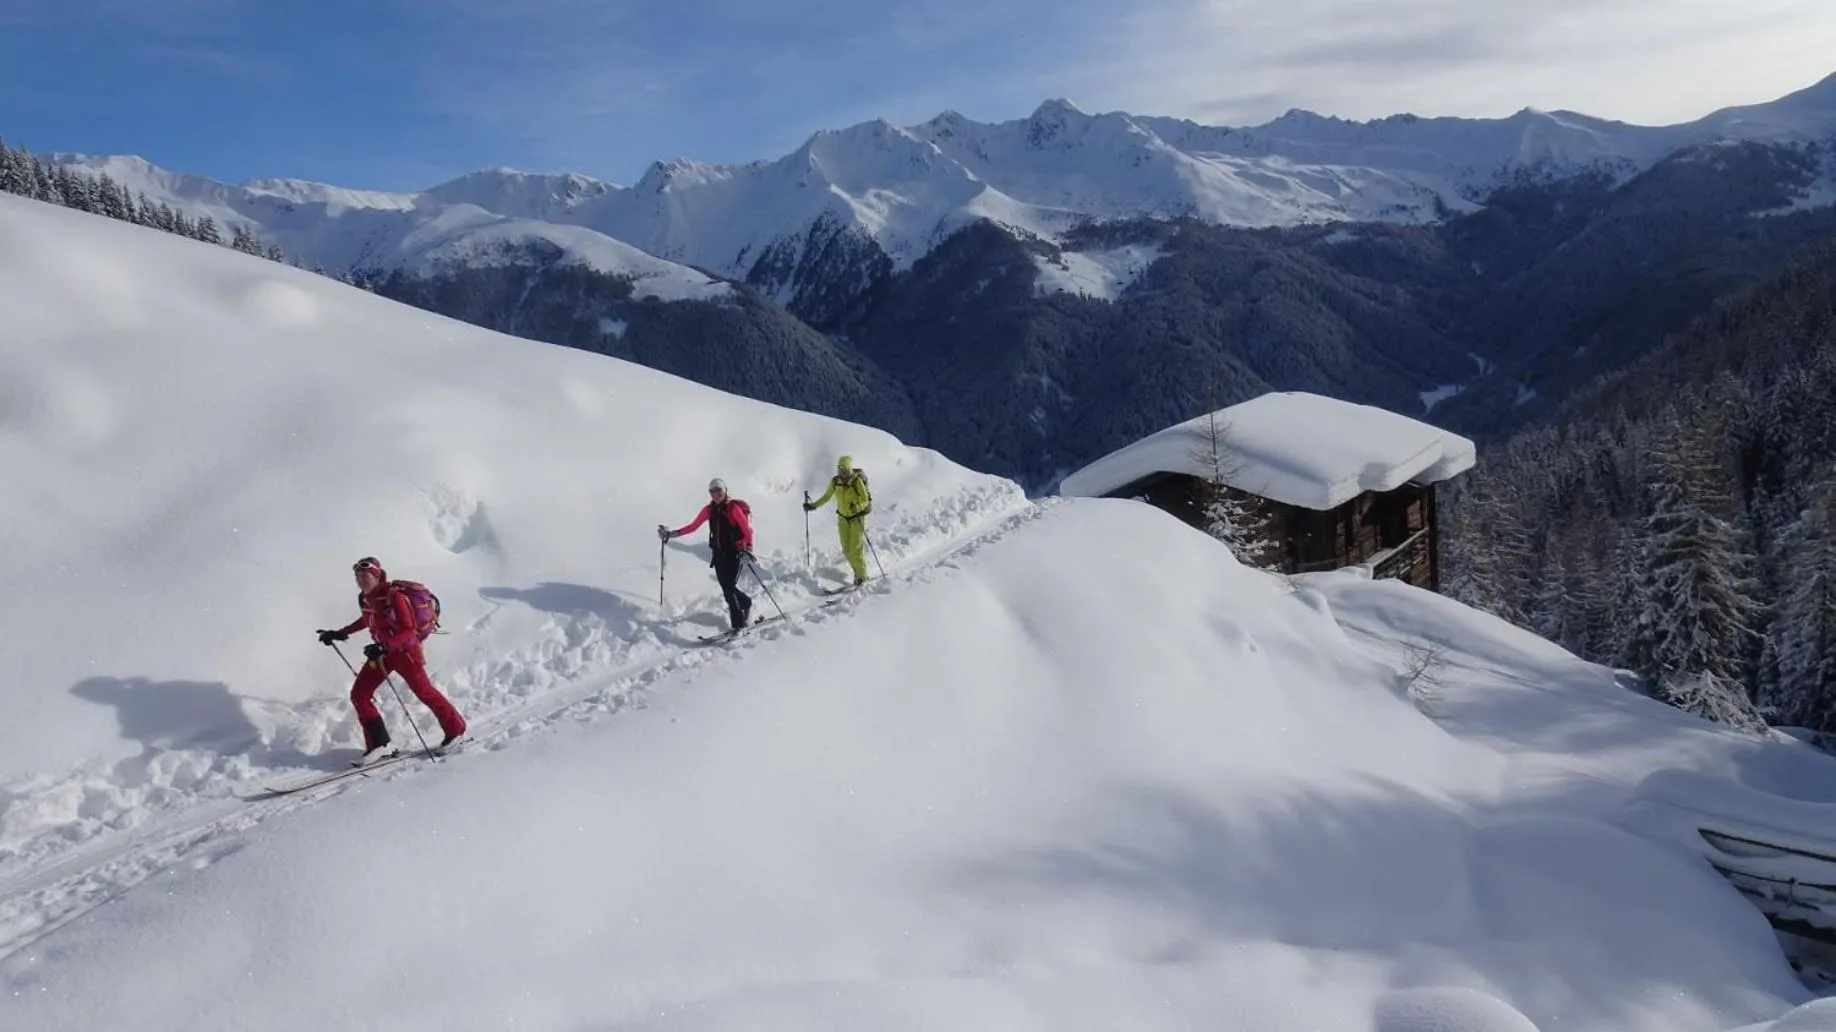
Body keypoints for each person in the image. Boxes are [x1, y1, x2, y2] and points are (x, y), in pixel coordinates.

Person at [316, 556, 467, 764]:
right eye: (358, 576)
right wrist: (340, 633)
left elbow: (409, 631)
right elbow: (367, 618)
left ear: (377, 576)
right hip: (381, 654)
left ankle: (456, 730)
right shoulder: (365, 598)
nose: (361, 580)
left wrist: (384, 645)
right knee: (360, 694)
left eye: (365, 575)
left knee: (424, 692)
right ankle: (379, 744)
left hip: (405, 653)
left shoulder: (395, 596)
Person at [659, 478, 756, 631]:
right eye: (713, 492)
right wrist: (671, 534)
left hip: (733, 553)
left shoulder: (733, 509)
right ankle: (747, 603)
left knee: (729, 591)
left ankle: (738, 625)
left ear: (725, 491)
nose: (716, 495)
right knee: (727, 589)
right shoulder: (709, 510)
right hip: (717, 555)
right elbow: (693, 526)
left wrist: (748, 549)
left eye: (719, 491)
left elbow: (747, 530)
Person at [804, 455, 873, 585]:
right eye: (840, 469)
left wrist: (857, 506)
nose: (842, 473)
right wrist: (813, 506)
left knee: (856, 549)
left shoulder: (856, 482)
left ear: (850, 470)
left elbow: (865, 500)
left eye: (845, 470)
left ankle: (862, 576)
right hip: (842, 518)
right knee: (846, 550)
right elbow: (826, 497)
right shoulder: (835, 482)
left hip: (857, 518)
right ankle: (857, 573)